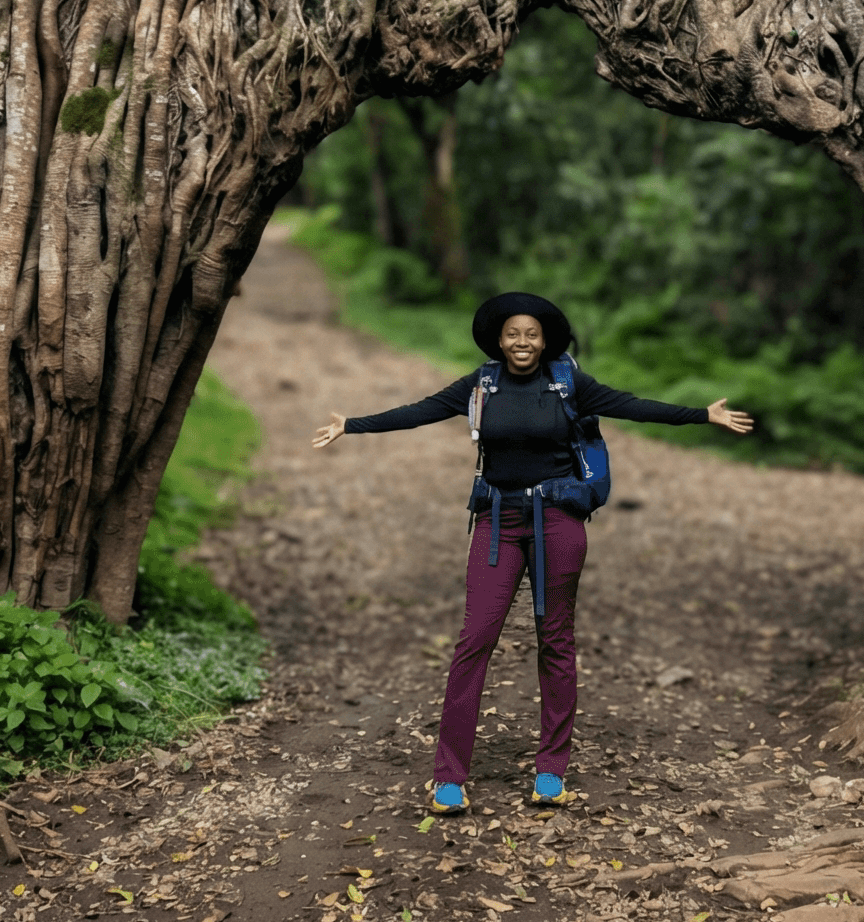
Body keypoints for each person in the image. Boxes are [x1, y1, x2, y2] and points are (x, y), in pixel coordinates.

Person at [312, 289, 753, 813]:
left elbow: (631, 405)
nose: (522, 342)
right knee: (474, 639)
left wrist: (702, 415)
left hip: (559, 520)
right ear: (499, 341)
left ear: (545, 341)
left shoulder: (569, 383)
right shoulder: (482, 384)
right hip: (498, 522)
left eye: (532, 335)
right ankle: (448, 778)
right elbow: (421, 411)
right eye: (512, 335)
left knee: (556, 641)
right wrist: (352, 425)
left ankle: (551, 771)